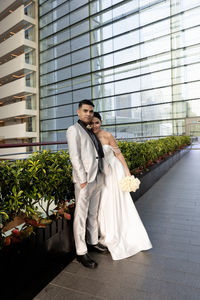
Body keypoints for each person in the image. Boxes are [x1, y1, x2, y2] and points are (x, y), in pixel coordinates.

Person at [91, 112, 152, 260]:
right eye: (92, 123)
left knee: (118, 202)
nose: (94, 125)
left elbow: (119, 155)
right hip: (101, 173)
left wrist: (127, 172)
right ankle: (106, 232)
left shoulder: (108, 136)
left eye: (97, 122)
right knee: (104, 203)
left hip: (114, 171)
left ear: (101, 122)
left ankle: (118, 234)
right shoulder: (89, 137)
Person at [66, 100, 108, 269]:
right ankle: (81, 252)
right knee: (81, 216)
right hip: (84, 180)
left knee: (93, 213)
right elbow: (74, 156)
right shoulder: (73, 130)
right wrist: (82, 179)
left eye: (91, 111)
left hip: (97, 176)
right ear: (78, 112)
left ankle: (92, 242)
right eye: (85, 111)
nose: (88, 114)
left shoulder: (90, 129)